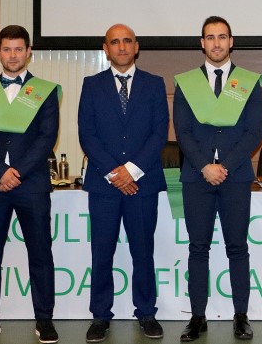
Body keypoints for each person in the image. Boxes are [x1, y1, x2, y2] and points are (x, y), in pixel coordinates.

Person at [0, 25, 61, 344]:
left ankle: (44, 320)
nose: (13, 55)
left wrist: (15, 171)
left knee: (40, 254)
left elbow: (47, 137)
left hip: (31, 185)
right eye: (7, 49)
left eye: (19, 49)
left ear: (29, 52)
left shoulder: (44, 91)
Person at [172, 16, 262, 342]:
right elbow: (182, 132)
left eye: (222, 37)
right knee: (198, 248)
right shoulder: (186, 83)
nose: (216, 43)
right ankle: (198, 317)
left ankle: (241, 316)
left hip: (236, 177)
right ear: (202, 43)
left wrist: (223, 165)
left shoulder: (249, 82)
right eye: (210, 37)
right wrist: (205, 167)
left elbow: (254, 131)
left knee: (237, 247)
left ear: (231, 41)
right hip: (197, 178)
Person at [77, 24, 169, 342]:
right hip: (105, 186)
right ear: (106, 48)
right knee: (102, 252)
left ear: (136, 46)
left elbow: (159, 134)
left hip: (142, 184)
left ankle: (146, 313)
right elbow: (87, 134)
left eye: (127, 41)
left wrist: (132, 170)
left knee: (143, 251)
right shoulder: (91, 85)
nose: (121, 47)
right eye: (115, 42)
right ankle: (100, 316)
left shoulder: (155, 85)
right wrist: (116, 173)